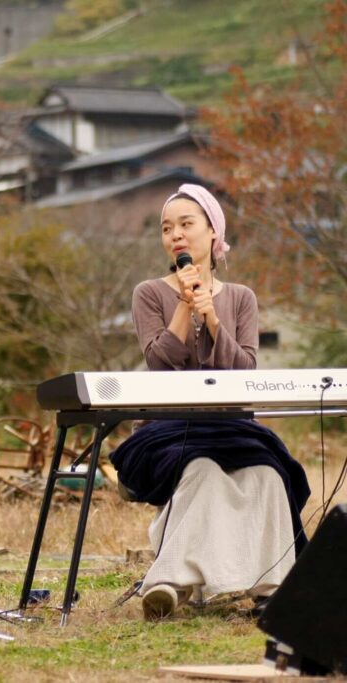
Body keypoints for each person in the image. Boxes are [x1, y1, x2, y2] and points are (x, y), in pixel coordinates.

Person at [110, 184, 310, 621]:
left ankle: (274, 589)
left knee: (268, 474)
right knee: (200, 469)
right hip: (168, 429)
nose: (175, 235)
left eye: (186, 224)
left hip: (232, 428)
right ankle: (167, 583)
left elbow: (243, 373)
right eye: (167, 228)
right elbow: (159, 366)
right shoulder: (149, 293)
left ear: (213, 233)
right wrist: (185, 307)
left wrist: (215, 319)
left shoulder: (241, 298)